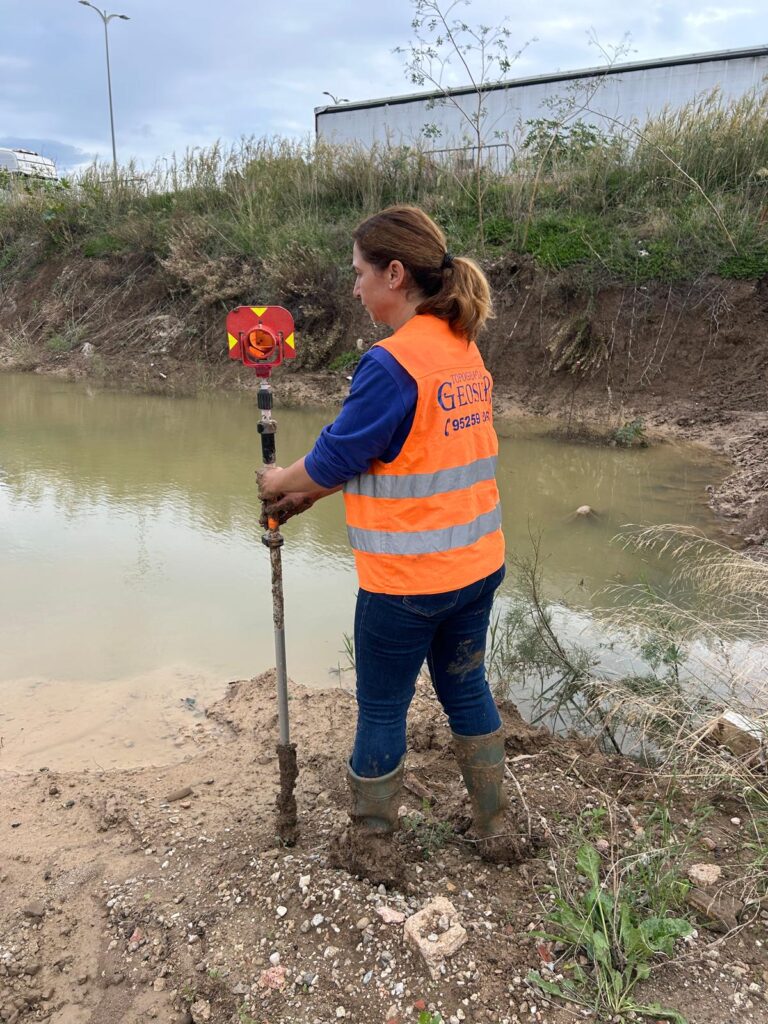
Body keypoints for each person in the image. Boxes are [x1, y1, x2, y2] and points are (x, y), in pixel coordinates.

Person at [257, 205, 514, 876]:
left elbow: (339, 451)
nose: (354, 287)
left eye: (359, 273)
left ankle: (371, 841)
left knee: (382, 709)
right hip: (477, 569)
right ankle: (495, 825)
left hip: (407, 587)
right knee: (466, 688)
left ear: (394, 274)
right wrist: (308, 492)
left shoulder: (391, 362)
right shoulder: (461, 347)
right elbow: (398, 455)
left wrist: (280, 479)